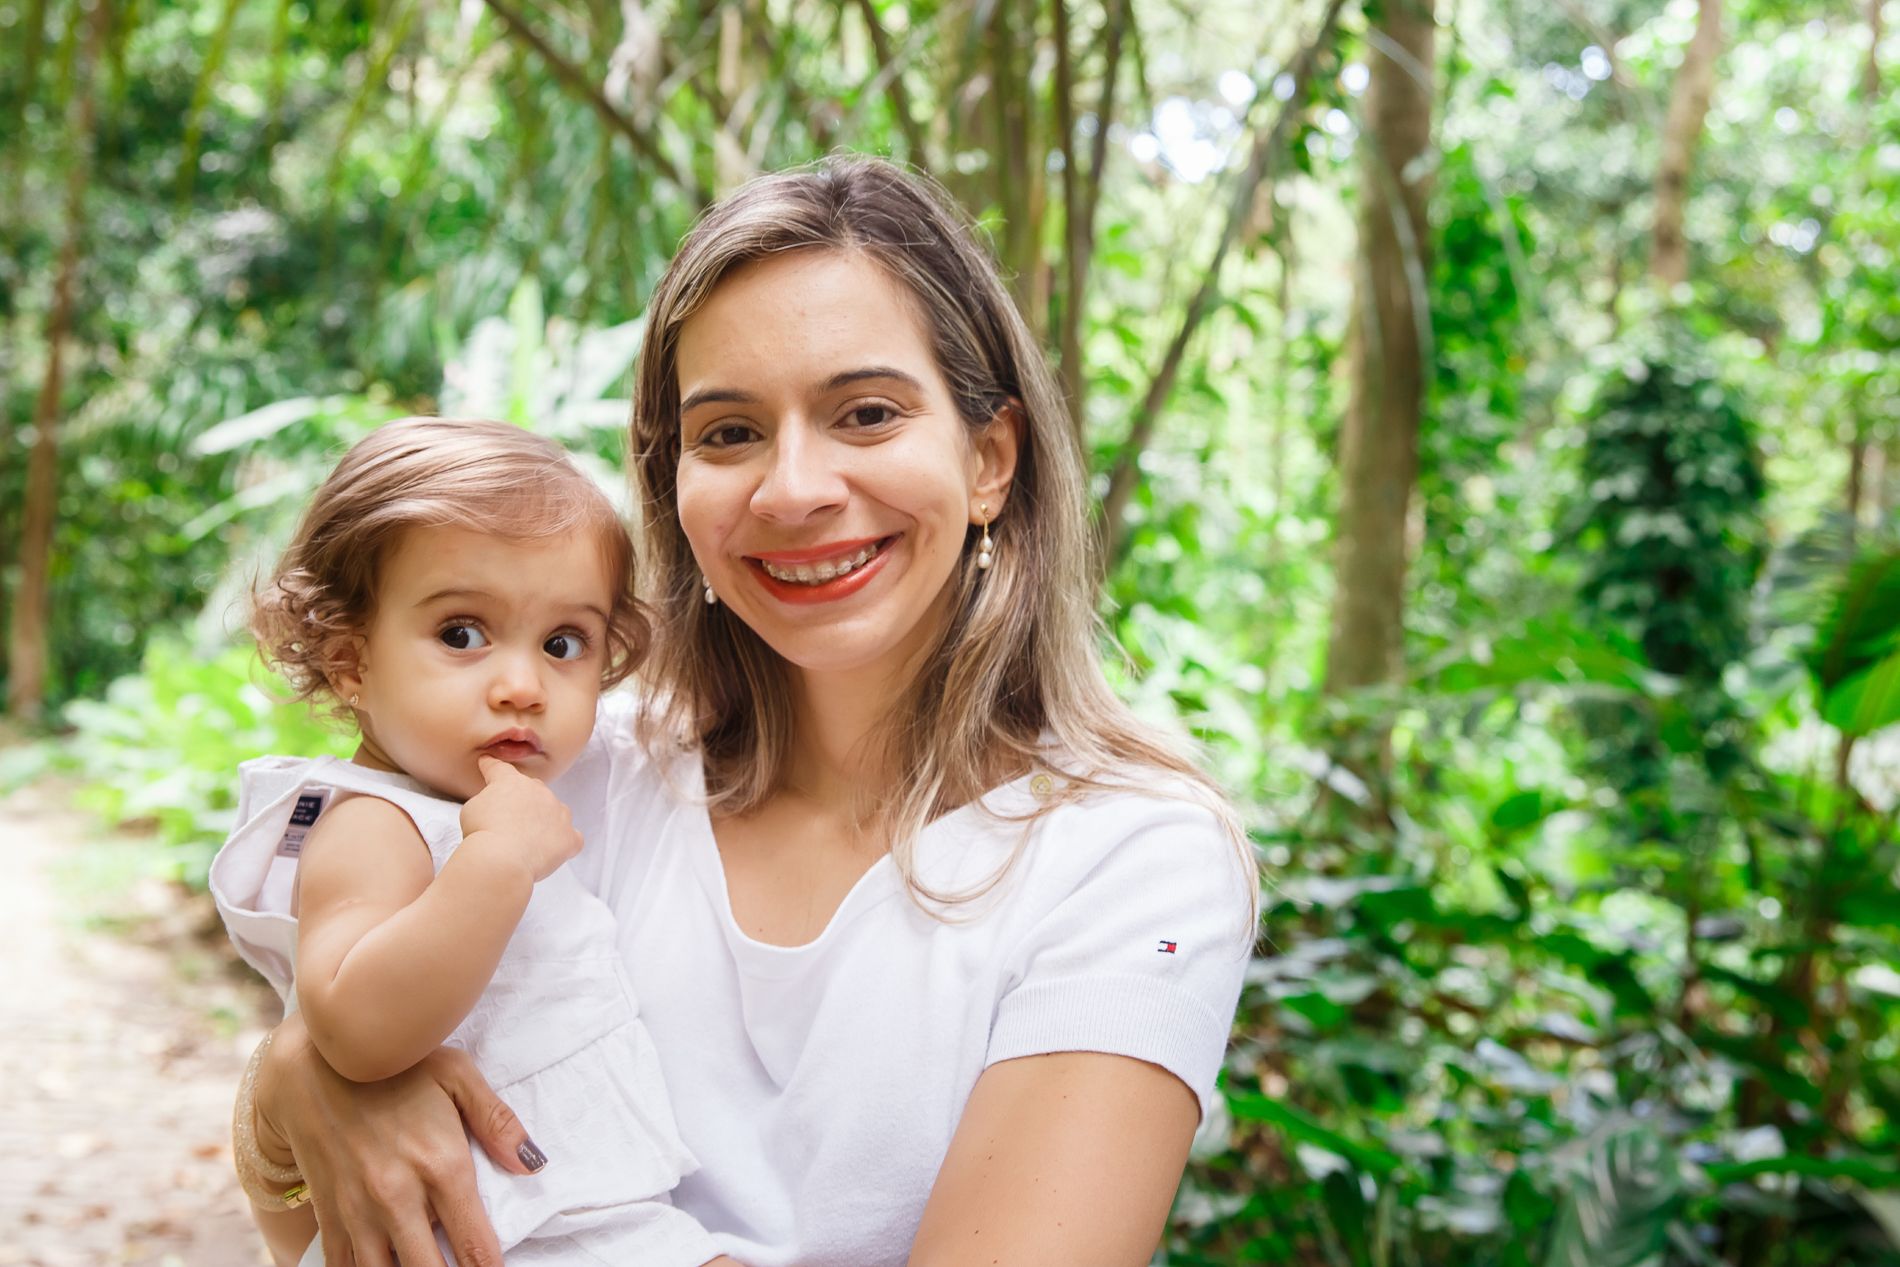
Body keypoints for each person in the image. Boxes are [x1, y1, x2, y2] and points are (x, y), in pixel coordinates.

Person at [223, 155, 1258, 1267]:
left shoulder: (1130, 858)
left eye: (865, 413)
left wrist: (316, 1079)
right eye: (728, 433)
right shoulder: (559, 770)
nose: (793, 489)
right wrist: (292, 1088)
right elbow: (310, 1221)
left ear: (990, 459)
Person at [212, 418, 724, 1267]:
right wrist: (496, 863)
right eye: (461, 633)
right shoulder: (373, 820)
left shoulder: (494, 798)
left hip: (575, 1218)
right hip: (480, 1228)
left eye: (564, 644)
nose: (522, 686)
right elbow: (354, 1028)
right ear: (350, 661)